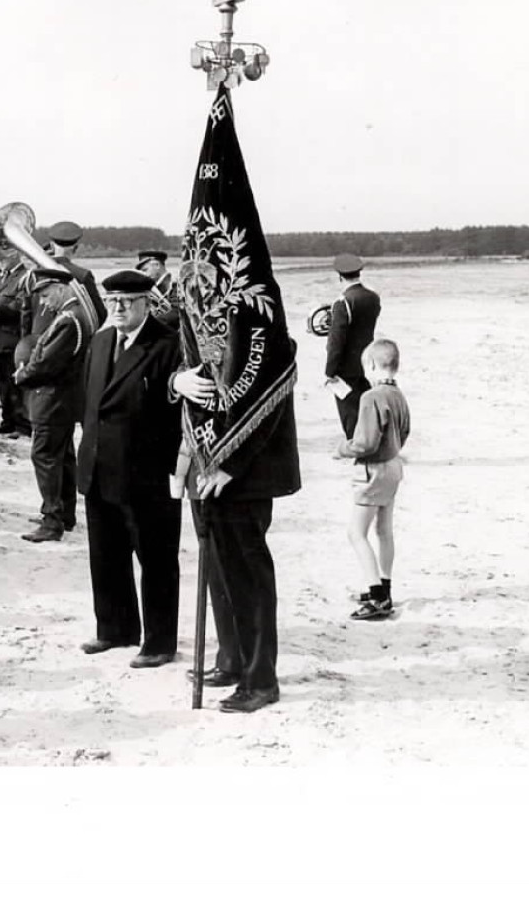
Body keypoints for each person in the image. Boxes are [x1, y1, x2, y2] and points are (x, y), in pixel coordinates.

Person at [171, 364, 302, 714]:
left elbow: (265, 409)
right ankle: (231, 658)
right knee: (218, 570)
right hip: (203, 468)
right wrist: (177, 382)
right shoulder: (203, 332)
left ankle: (260, 679)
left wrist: (231, 464)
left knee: (248, 576)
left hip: (245, 476)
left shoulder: (264, 336)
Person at [76, 271, 184, 667]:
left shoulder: (169, 347)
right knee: (106, 555)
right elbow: (90, 404)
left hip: (146, 474)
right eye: (113, 301)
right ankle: (115, 629)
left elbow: (175, 417)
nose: (118, 308)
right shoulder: (101, 341)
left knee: (155, 560)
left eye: (128, 301)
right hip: (99, 467)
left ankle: (158, 643)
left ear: (147, 303)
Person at [335, 339, 411, 621]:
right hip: (393, 466)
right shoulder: (398, 395)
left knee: (356, 533)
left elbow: (364, 443)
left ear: (370, 365)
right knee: (384, 531)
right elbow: (405, 431)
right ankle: (385, 586)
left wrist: (342, 449)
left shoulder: (371, 397)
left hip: (373, 470)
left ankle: (376, 595)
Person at [15, 268, 93, 543]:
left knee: (45, 458)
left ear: (62, 289)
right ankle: (65, 515)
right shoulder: (73, 316)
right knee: (63, 458)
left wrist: (21, 375)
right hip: (64, 401)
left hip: (52, 400)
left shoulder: (68, 321)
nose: (45, 303)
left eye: (47, 296)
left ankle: (51, 521)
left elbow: (45, 364)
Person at [324, 253, 382, 437]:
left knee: (349, 411)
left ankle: (356, 447)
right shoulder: (373, 297)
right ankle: (371, 442)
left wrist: (330, 370)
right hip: (368, 361)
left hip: (346, 366)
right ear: (359, 273)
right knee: (366, 407)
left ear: (340, 276)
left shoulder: (342, 302)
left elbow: (336, 341)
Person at [0, 248, 28, 437]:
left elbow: (20, 307)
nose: (0, 263)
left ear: (14, 256)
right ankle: (8, 421)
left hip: (12, 338)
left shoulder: (24, 277)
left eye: (2, 259)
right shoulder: (3, 278)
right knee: (2, 383)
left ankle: (21, 424)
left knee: (15, 385)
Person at [44, 220, 104, 326]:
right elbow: (100, 314)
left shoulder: (34, 274)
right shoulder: (83, 275)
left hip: (34, 340)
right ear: (76, 248)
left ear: (52, 246)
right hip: (70, 337)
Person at [136, 249, 181, 332]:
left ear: (157, 265)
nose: (143, 275)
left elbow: (177, 312)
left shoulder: (176, 285)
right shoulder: (148, 289)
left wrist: (150, 323)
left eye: (145, 270)